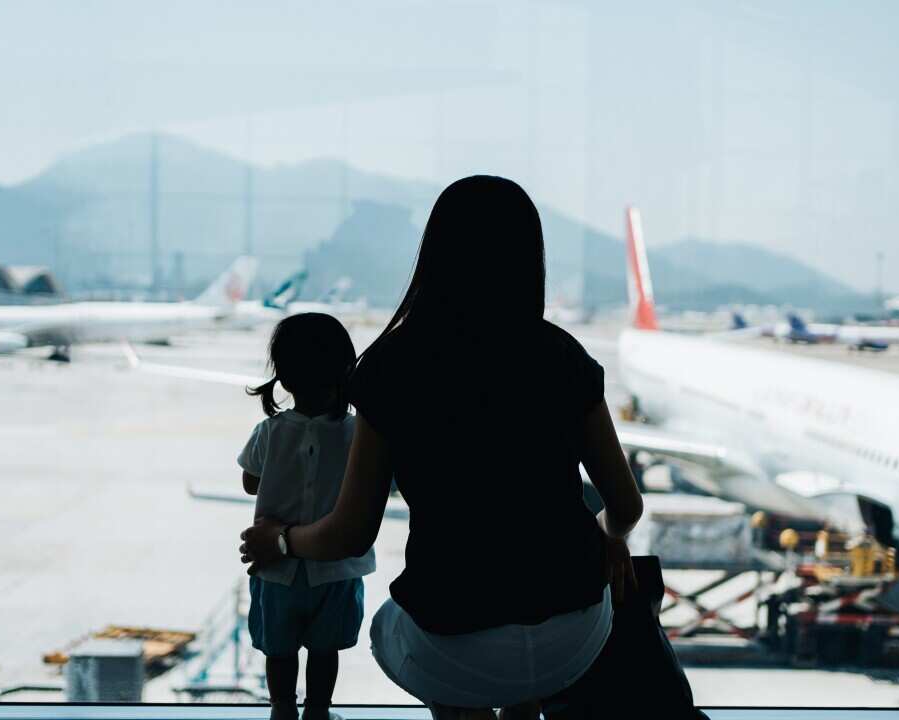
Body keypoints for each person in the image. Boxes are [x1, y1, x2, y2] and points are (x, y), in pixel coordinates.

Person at [241, 176, 645, 720]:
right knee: (521, 660)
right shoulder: (562, 356)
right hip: (570, 632)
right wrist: (607, 540)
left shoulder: (391, 367)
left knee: (419, 641)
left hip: (456, 630)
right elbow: (627, 507)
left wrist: (281, 542)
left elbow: (349, 533)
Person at [238, 312, 375, 720]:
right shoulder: (358, 434)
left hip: (277, 568)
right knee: (324, 650)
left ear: (284, 377)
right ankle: (318, 710)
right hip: (336, 571)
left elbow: (250, 482)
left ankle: (282, 709)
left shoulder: (270, 431)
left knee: (279, 650)